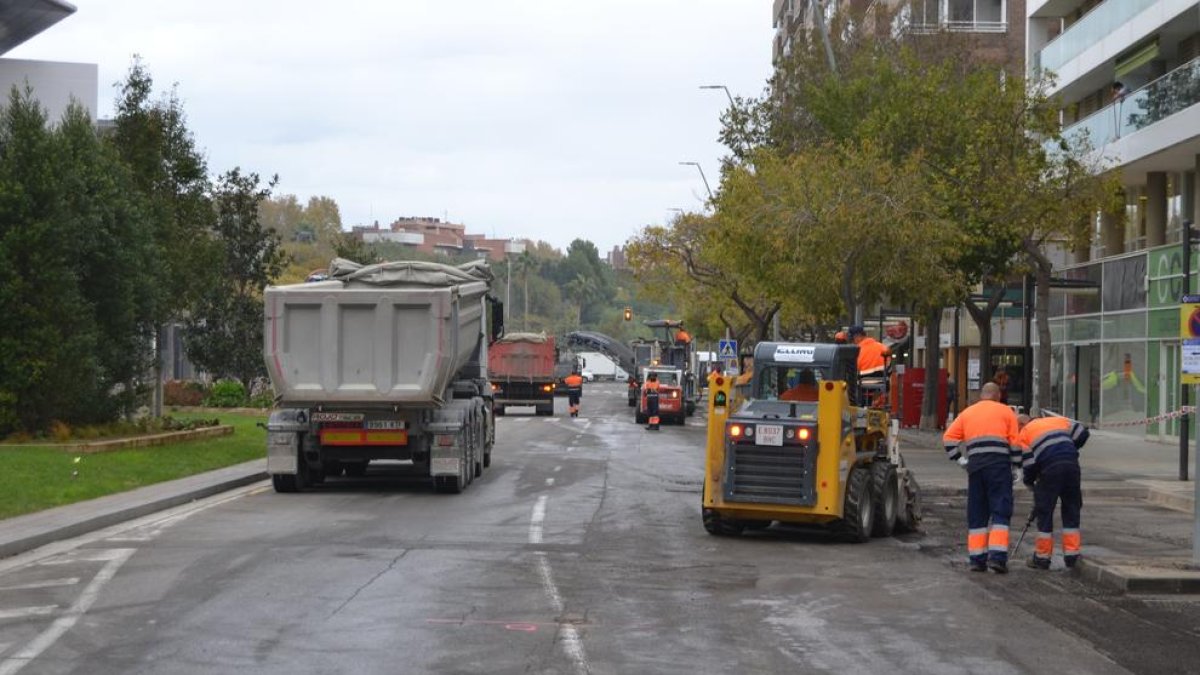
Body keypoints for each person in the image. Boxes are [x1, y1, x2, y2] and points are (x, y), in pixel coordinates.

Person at [943, 382, 1022, 574]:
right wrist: (1017, 466)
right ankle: (997, 558)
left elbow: (948, 439)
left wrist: (961, 460)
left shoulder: (967, 413)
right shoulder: (1006, 412)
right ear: (997, 396)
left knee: (977, 511)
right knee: (1000, 510)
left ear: (981, 395)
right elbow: (1015, 443)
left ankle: (977, 560)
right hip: (999, 466)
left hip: (976, 467)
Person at [1016, 413, 1089, 570]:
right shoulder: (1057, 420)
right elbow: (1083, 432)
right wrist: (1070, 447)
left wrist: (1029, 482)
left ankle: (1042, 558)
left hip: (1049, 470)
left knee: (1045, 512)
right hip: (1071, 466)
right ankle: (1072, 556)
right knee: (1071, 508)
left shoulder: (1024, 433)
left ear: (1022, 424)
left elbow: (1029, 465)